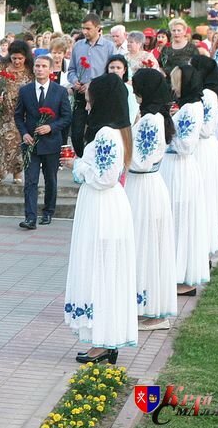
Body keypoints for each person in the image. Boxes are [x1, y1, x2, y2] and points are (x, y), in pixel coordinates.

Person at [61, 73, 136, 364]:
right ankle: (105, 337)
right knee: (105, 270)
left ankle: (104, 339)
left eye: (90, 97)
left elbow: (103, 176)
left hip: (102, 205)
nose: (87, 102)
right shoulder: (118, 130)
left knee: (100, 269)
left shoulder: (106, 134)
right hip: (105, 203)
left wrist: (76, 165)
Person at [128, 69, 178, 331]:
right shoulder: (153, 116)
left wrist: (122, 153)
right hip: (146, 186)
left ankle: (152, 309)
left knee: (146, 245)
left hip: (144, 185)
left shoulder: (150, 120)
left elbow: (142, 160)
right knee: (146, 244)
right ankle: (145, 305)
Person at [159, 65, 209, 296]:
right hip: (175, 168)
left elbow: (186, 144)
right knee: (177, 220)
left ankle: (182, 276)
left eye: (175, 81)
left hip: (180, 169)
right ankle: (176, 272)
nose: (172, 85)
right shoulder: (188, 106)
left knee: (180, 220)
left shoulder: (190, 109)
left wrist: (164, 139)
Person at [14, 55, 72, 229]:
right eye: (37, 66)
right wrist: (24, 133)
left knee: (50, 179)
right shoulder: (25, 91)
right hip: (30, 143)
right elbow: (18, 115)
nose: (39, 69)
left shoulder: (60, 91)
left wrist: (51, 127)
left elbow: (67, 117)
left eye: (43, 66)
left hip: (51, 142)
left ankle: (48, 212)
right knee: (30, 180)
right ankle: (30, 217)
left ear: (51, 69)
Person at [0, 40, 34, 184]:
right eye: (14, 58)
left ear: (26, 57)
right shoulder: (2, 67)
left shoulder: (30, 70)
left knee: (19, 142)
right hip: (4, 111)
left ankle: (17, 173)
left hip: (23, 112)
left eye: (20, 58)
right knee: (3, 141)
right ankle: (0, 171)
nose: (16, 61)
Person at [190, 55, 218, 257]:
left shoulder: (208, 95)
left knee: (204, 193)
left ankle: (205, 244)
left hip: (203, 147)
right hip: (199, 146)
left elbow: (206, 127)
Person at [67, 13, 115, 156]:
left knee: (97, 130)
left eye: (88, 28)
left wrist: (92, 85)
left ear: (98, 28)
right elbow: (71, 70)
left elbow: (111, 72)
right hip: (80, 94)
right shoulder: (78, 46)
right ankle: (81, 158)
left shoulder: (108, 46)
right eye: (83, 28)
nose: (85, 32)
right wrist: (75, 80)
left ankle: (93, 159)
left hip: (99, 96)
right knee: (76, 132)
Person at [105, 55, 140, 124]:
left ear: (124, 70)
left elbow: (132, 112)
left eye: (118, 68)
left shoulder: (129, 89)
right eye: (112, 67)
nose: (115, 71)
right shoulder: (102, 87)